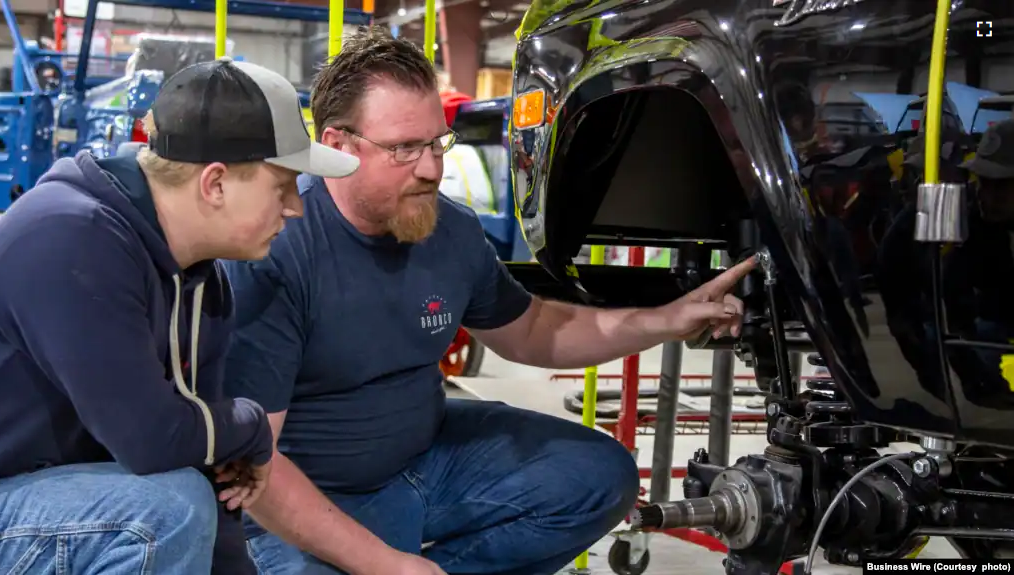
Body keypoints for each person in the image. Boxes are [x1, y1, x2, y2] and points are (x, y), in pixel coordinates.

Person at [222, 28, 755, 575]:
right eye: (404, 149)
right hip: (311, 498)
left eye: (436, 142)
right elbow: (252, 466)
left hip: (429, 462)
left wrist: (667, 319)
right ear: (336, 147)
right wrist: (384, 563)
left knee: (597, 477)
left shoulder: (448, 229)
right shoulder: (278, 248)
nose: (432, 169)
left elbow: (533, 329)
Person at [0, 58, 359, 574]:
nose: (295, 207)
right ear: (215, 184)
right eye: (282, 186)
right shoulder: (71, 239)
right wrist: (250, 426)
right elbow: (152, 440)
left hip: (48, 500)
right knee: (161, 512)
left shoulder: (202, 280)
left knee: (181, 499)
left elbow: (210, 473)